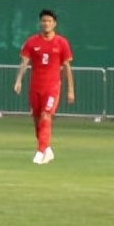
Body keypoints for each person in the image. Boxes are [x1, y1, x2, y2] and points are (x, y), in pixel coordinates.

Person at [13, 9, 75, 164]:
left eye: (49, 21)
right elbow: (24, 62)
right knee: (36, 119)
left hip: (52, 87)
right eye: (43, 21)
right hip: (36, 86)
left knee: (46, 116)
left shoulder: (62, 43)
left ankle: (40, 152)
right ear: (40, 23)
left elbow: (67, 66)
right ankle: (47, 149)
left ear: (54, 23)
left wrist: (70, 90)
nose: (46, 24)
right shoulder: (32, 42)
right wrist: (18, 80)